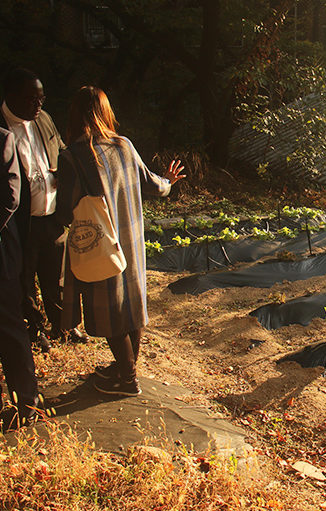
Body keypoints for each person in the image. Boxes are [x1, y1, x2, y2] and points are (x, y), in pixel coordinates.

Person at [56, 86, 185, 396]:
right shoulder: (123, 145)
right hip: (131, 240)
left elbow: (63, 210)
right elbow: (154, 185)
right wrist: (168, 180)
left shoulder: (72, 156)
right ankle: (123, 368)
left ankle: (127, 378)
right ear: (105, 112)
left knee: (109, 310)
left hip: (101, 243)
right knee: (130, 307)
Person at [1, 68, 87, 351]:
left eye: (41, 99)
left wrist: (60, 173)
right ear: (11, 97)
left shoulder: (44, 118)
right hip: (19, 222)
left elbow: (62, 151)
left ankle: (63, 324)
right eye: (31, 100)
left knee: (56, 276)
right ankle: (33, 329)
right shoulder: (2, 127)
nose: (38, 105)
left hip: (51, 214)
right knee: (24, 279)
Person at [0, 126, 40, 431]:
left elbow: (10, 197)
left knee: (9, 322)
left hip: (1, 247)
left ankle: (26, 401)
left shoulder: (4, 139)